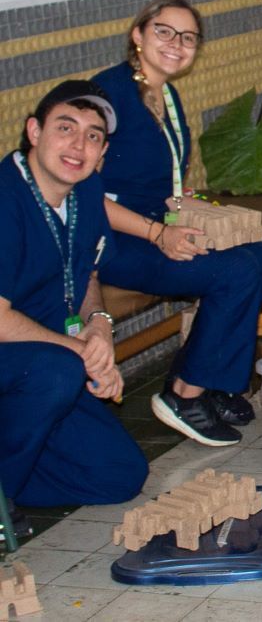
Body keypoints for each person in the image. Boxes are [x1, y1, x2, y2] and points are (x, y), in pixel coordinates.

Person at [91, 0, 262, 447]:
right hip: (114, 242)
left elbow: (156, 177)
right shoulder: (106, 96)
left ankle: (213, 381)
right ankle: (183, 393)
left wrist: (188, 212)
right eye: (164, 31)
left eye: (188, 37)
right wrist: (158, 233)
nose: (176, 44)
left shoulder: (166, 96)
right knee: (233, 273)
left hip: (156, 228)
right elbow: (84, 194)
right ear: (138, 34)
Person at [0, 80, 148, 508]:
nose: (78, 145)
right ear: (34, 132)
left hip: (44, 363)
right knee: (59, 371)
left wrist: (99, 327)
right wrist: (78, 351)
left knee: (120, 477)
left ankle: (11, 479)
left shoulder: (84, 191)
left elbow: (86, 274)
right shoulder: (7, 198)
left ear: (102, 153)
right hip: (36, 364)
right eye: (65, 128)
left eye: (93, 136)